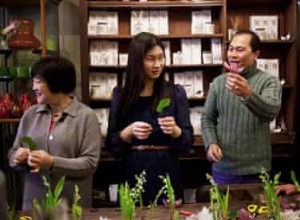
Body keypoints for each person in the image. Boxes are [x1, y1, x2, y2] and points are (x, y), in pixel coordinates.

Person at [106, 32, 193, 205]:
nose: (157, 64)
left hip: (166, 170)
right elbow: (111, 144)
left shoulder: (175, 93)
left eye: (161, 58)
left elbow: (187, 142)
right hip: (132, 169)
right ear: (137, 61)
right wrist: (127, 132)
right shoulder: (121, 95)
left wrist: (175, 131)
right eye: (150, 59)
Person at [8, 55, 102, 211]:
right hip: (34, 205)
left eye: (38, 82)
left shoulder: (86, 117)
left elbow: (89, 164)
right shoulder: (30, 114)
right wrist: (17, 157)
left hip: (70, 207)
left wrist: (52, 162)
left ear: (55, 82)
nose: (33, 87)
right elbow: (13, 152)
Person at [201, 30, 282, 184]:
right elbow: (207, 118)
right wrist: (210, 143)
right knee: (223, 208)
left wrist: (247, 94)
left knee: (259, 209)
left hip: (257, 170)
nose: (233, 55)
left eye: (240, 50)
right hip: (223, 167)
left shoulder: (269, 81)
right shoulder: (219, 82)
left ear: (255, 54)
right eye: (231, 49)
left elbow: (271, 112)